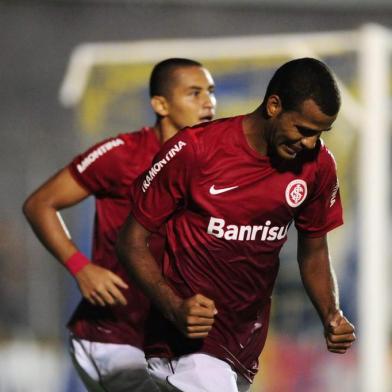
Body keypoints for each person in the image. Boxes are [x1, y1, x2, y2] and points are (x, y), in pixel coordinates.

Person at [117, 57, 356, 392]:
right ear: (274, 106)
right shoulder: (195, 150)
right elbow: (130, 240)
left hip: (243, 347)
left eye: (320, 134)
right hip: (185, 342)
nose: (310, 143)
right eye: (303, 130)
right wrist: (174, 307)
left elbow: (314, 250)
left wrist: (331, 313)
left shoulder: (318, 166)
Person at [22, 58, 216, 392]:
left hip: (168, 339)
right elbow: (40, 204)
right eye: (194, 93)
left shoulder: (214, 165)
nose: (208, 102)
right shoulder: (122, 154)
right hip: (112, 337)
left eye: (210, 92)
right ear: (160, 104)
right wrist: (80, 267)